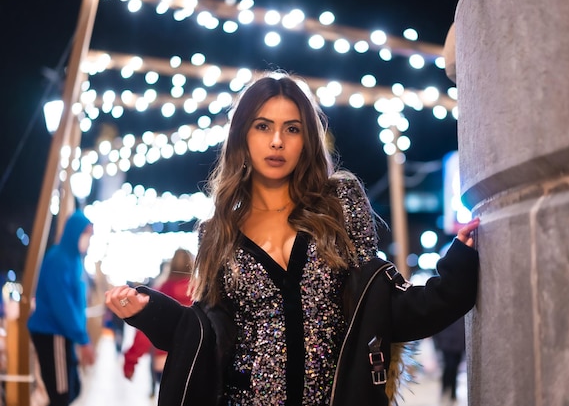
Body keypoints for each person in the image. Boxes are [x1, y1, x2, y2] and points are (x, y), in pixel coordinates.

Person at [105, 72, 480, 406]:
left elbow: (383, 306)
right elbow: (206, 336)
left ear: (306, 139)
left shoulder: (341, 203)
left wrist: (458, 265)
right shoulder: (217, 231)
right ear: (242, 137)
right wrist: (147, 311)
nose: (277, 141)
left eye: (292, 128)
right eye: (263, 126)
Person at [28, 210, 96, 406]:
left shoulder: (74, 260)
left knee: (71, 389)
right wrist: (83, 340)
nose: (88, 240)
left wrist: (81, 336)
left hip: (61, 333)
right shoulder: (59, 259)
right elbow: (63, 305)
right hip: (52, 332)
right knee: (62, 393)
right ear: (75, 233)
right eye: (86, 234)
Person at [122, 248, 194, 396]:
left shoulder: (160, 290)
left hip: (163, 362)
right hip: (194, 362)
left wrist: (131, 361)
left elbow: (146, 329)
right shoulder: (200, 291)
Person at [433, 316, 466, 406]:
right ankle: (445, 390)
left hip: (458, 344)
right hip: (447, 343)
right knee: (449, 366)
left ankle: (452, 394)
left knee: (454, 368)